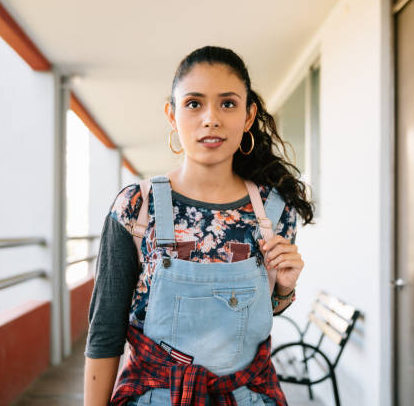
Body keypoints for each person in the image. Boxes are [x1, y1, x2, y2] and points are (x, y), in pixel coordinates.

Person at [83, 46, 315, 406]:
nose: (211, 118)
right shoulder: (136, 208)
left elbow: (261, 312)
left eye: (227, 103)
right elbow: (105, 330)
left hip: (247, 398)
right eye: (194, 103)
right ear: (172, 115)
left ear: (248, 115)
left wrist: (285, 286)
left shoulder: (274, 212)